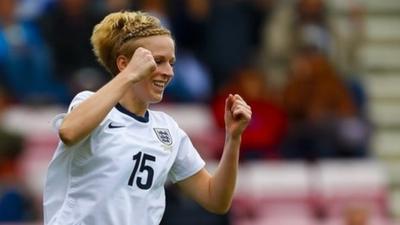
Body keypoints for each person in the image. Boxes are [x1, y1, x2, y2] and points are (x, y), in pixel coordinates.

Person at [43, 11, 251, 225]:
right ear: (124, 64)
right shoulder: (90, 103)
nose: (168, 71)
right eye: (157, 61)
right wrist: (128, 76)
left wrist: (233, 139)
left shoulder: (168, 130)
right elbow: (68, 132)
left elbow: (215, 199)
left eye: (171, 62)